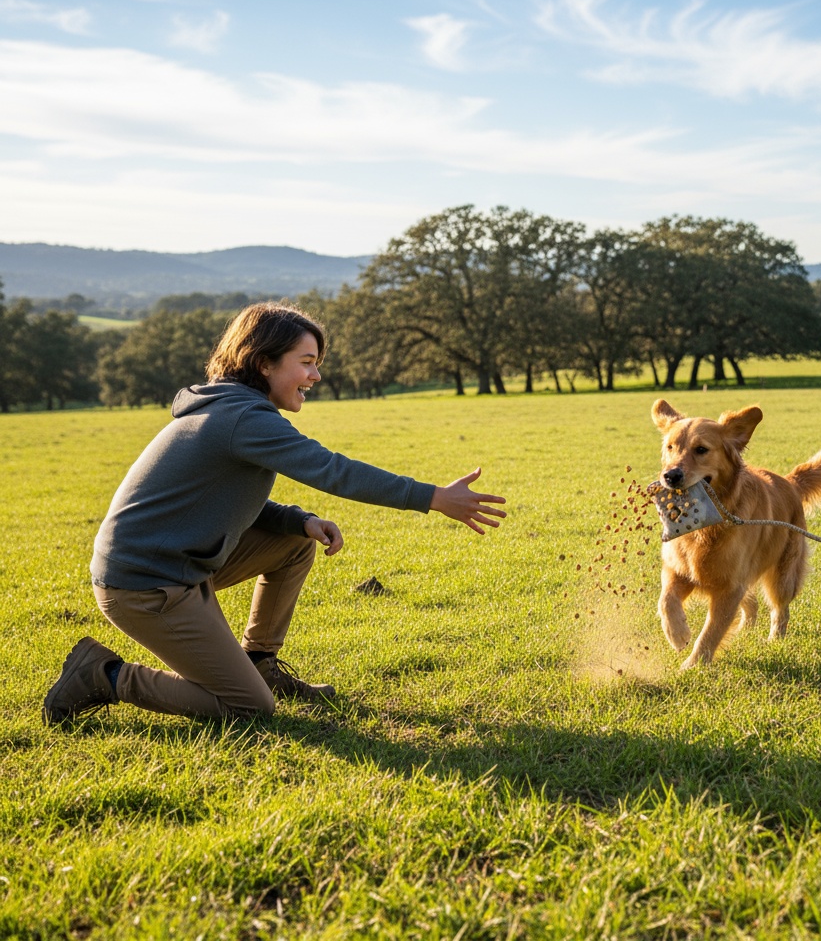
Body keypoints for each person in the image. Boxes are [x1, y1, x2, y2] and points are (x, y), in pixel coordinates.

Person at [43, 302, 506, 724]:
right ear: (263, 363)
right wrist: (433, 497)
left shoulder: (233, 409)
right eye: (306, 364)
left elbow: (214, 500)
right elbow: (333, 471)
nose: (315, 377)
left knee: (295, 542)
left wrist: (294, 521)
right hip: (145, 585)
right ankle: (101, 675)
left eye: (317, 365)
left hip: (177, 564)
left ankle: (260, 662)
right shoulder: (244, 418)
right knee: (247, 708)